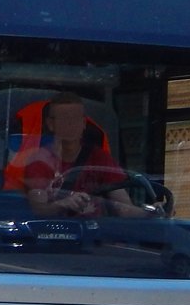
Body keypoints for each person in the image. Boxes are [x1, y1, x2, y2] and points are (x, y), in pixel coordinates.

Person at [19, 92, 153, 219]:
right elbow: (39, 210)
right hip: (55, 237)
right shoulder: (39, 161)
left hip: (95, 237)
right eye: (64, 119)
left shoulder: (100, 158)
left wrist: (152, 212)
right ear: (51, 124)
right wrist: (63, 204)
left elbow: (124, 209)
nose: (71, 124)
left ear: (83, 123)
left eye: (76, 119)